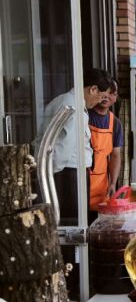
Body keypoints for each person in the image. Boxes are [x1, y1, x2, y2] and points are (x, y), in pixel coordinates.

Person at [35, 68, 113, 225]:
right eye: (101, 96)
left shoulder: (64, 101)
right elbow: (63, 147)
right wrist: (50, 174)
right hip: (68, 175)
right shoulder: (73, 106)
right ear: (93, 89)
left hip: (65, 173)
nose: (100, 101)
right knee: (73, 223)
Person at [88, 78, 124, 215]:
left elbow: (115, 155)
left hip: (102, 186)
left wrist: (113, 183)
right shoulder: (84, 116)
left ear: (116, 98)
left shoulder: (115, 123)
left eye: (112, 93)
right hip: (82, 182)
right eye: (105, 92)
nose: (107, 96)